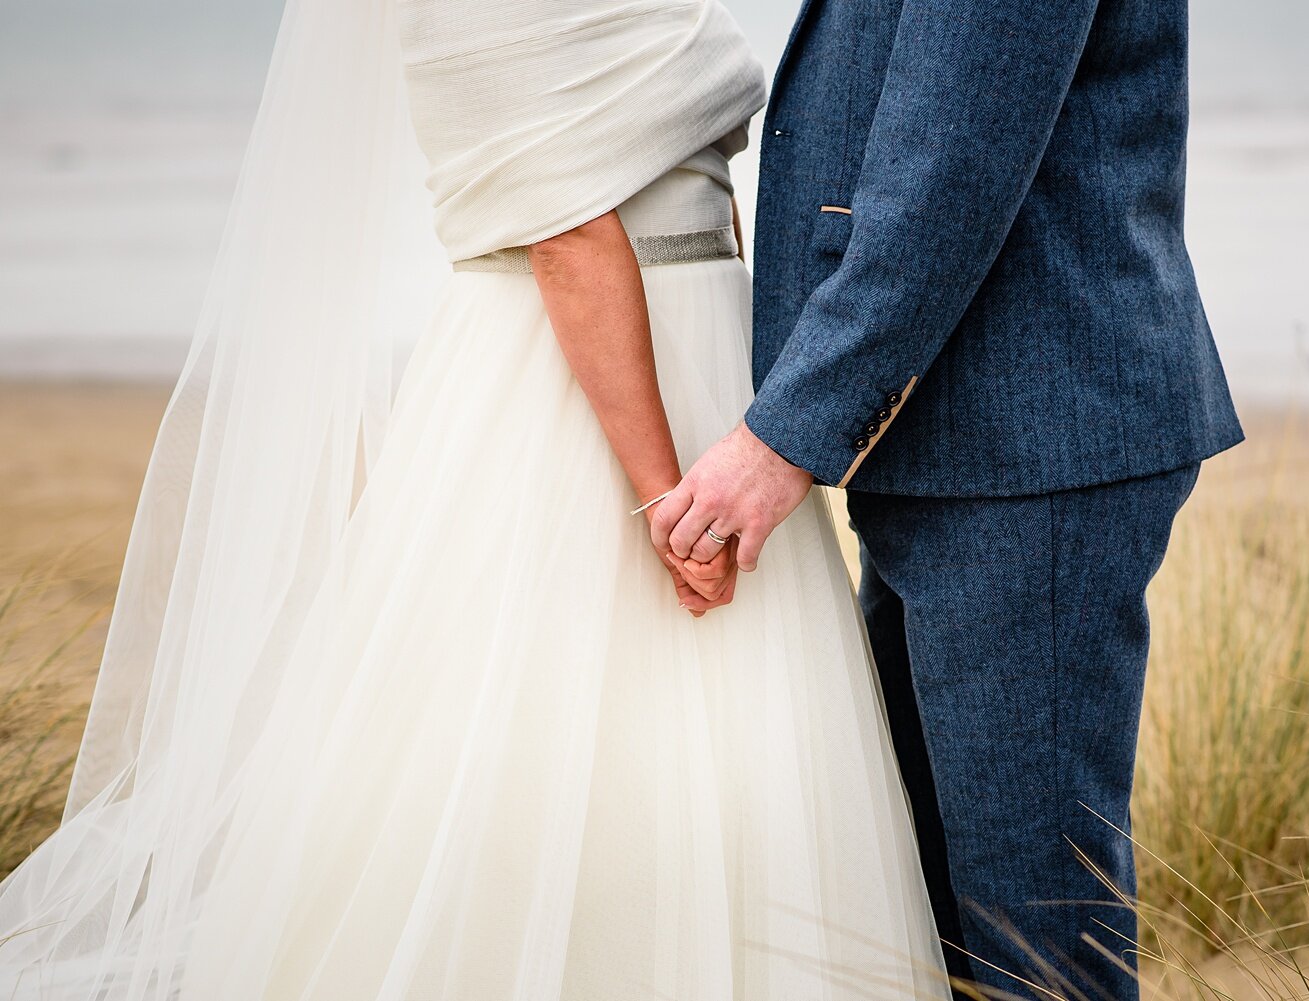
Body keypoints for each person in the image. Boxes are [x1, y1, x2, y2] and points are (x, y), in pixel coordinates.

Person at [0, 3, 948, 998]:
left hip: (704, 373)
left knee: (707, 745)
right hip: (585, 392)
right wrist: (670, 497)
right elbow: (571, 236)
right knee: (564, 731)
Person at [655, 1, 1243, 996]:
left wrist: (783, 435)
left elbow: (949, 168)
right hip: (962, 436)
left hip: (1031, 444)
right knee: (939, 923)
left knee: (1037, 946)